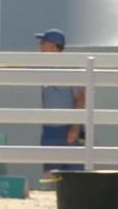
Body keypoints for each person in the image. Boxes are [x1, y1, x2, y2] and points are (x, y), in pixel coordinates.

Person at [35, 28, 85, 177]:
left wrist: (75, 128)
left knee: (73, 174)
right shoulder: (43, 68)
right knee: (50, 174)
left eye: (42, 43)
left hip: (67, 128)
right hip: (49, 129)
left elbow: (80, 97)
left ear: (51, 46)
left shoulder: (69, 68)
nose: (40, 46)